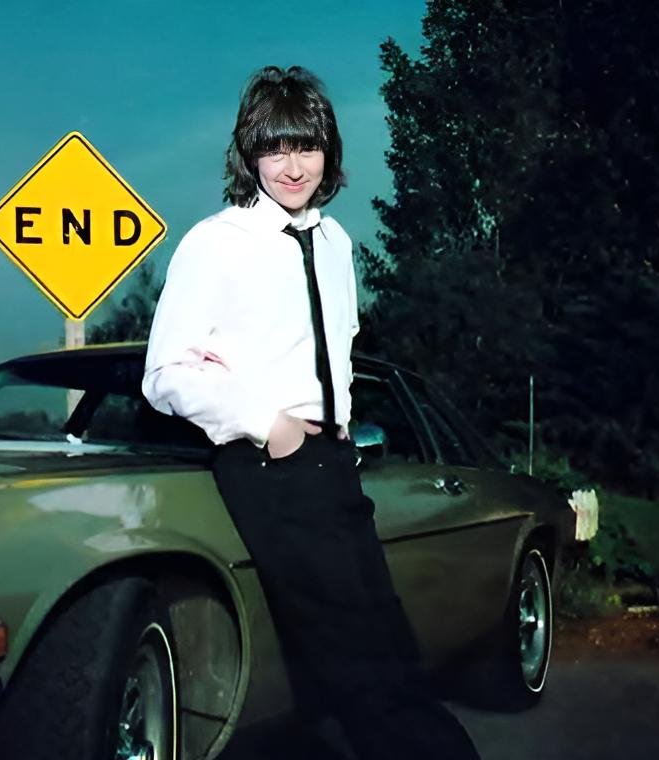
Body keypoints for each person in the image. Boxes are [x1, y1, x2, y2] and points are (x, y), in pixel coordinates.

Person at [143, 65, 480, 760]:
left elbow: (339, 351)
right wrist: (272, 424)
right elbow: (165, 372)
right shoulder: (216, 242)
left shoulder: (335, 244)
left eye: (306, 146)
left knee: (386, 638)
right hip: (269, 465)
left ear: (329, 152)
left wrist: (342, 434)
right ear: (249, 153)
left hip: (334, 464)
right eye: (275, 148)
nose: (292, 166)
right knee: (359, 661)